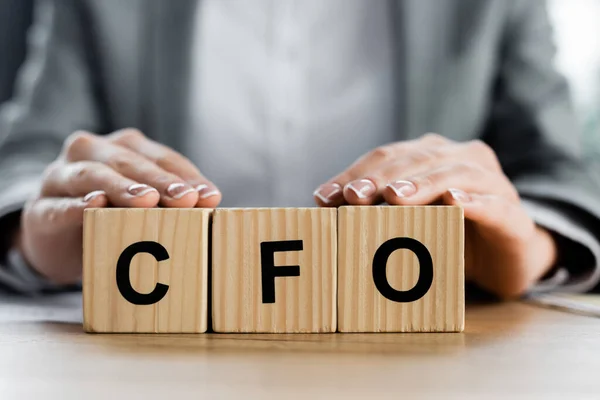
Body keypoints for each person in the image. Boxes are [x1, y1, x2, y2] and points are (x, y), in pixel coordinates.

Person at [0, 0, 599, 299]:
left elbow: (555, 171)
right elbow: (30, 156)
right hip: (151, 354)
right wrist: (33, 236)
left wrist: (535, 248)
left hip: (421, 358)